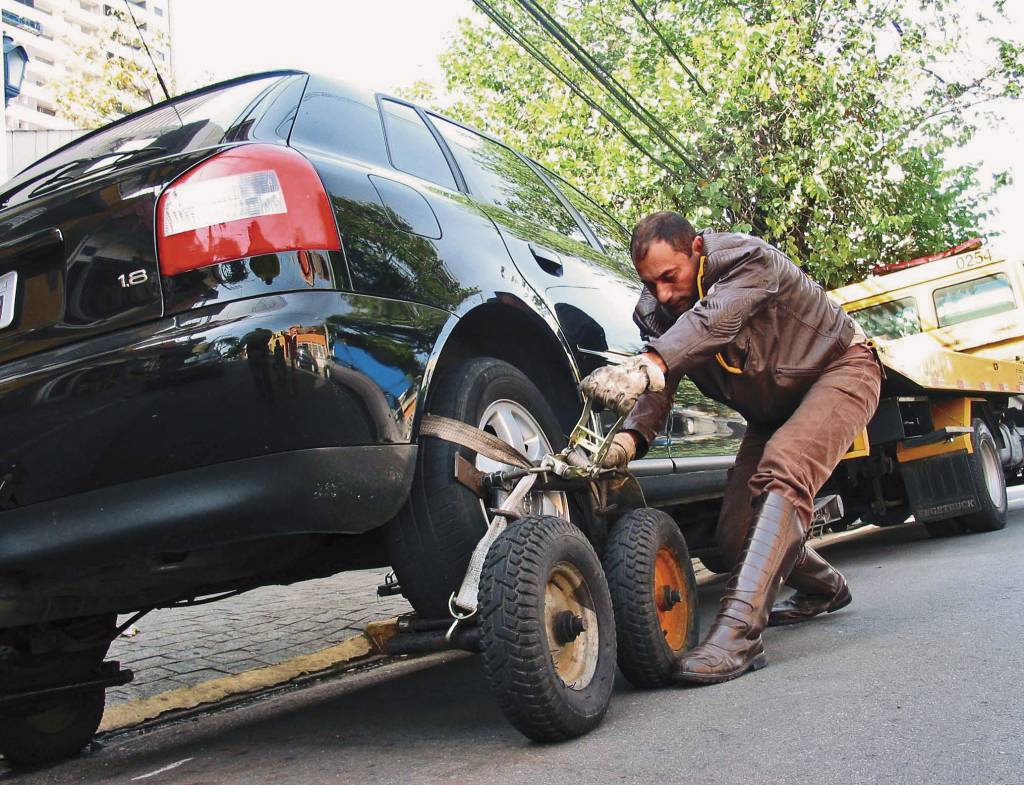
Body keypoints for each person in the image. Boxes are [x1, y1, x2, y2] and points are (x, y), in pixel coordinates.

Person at [582, 211, 882, 684]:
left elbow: (714, 321)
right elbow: (660, 387)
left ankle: (739, 637)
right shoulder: (655, 313)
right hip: (772, 410)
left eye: (669, 276)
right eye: (650, 281)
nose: (662, 292)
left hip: (840, 369)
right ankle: (827, 588)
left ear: (697, 249)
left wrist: (651, 359)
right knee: (736, 537)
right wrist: (627, 440)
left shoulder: (748, 260)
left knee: (784, 468)